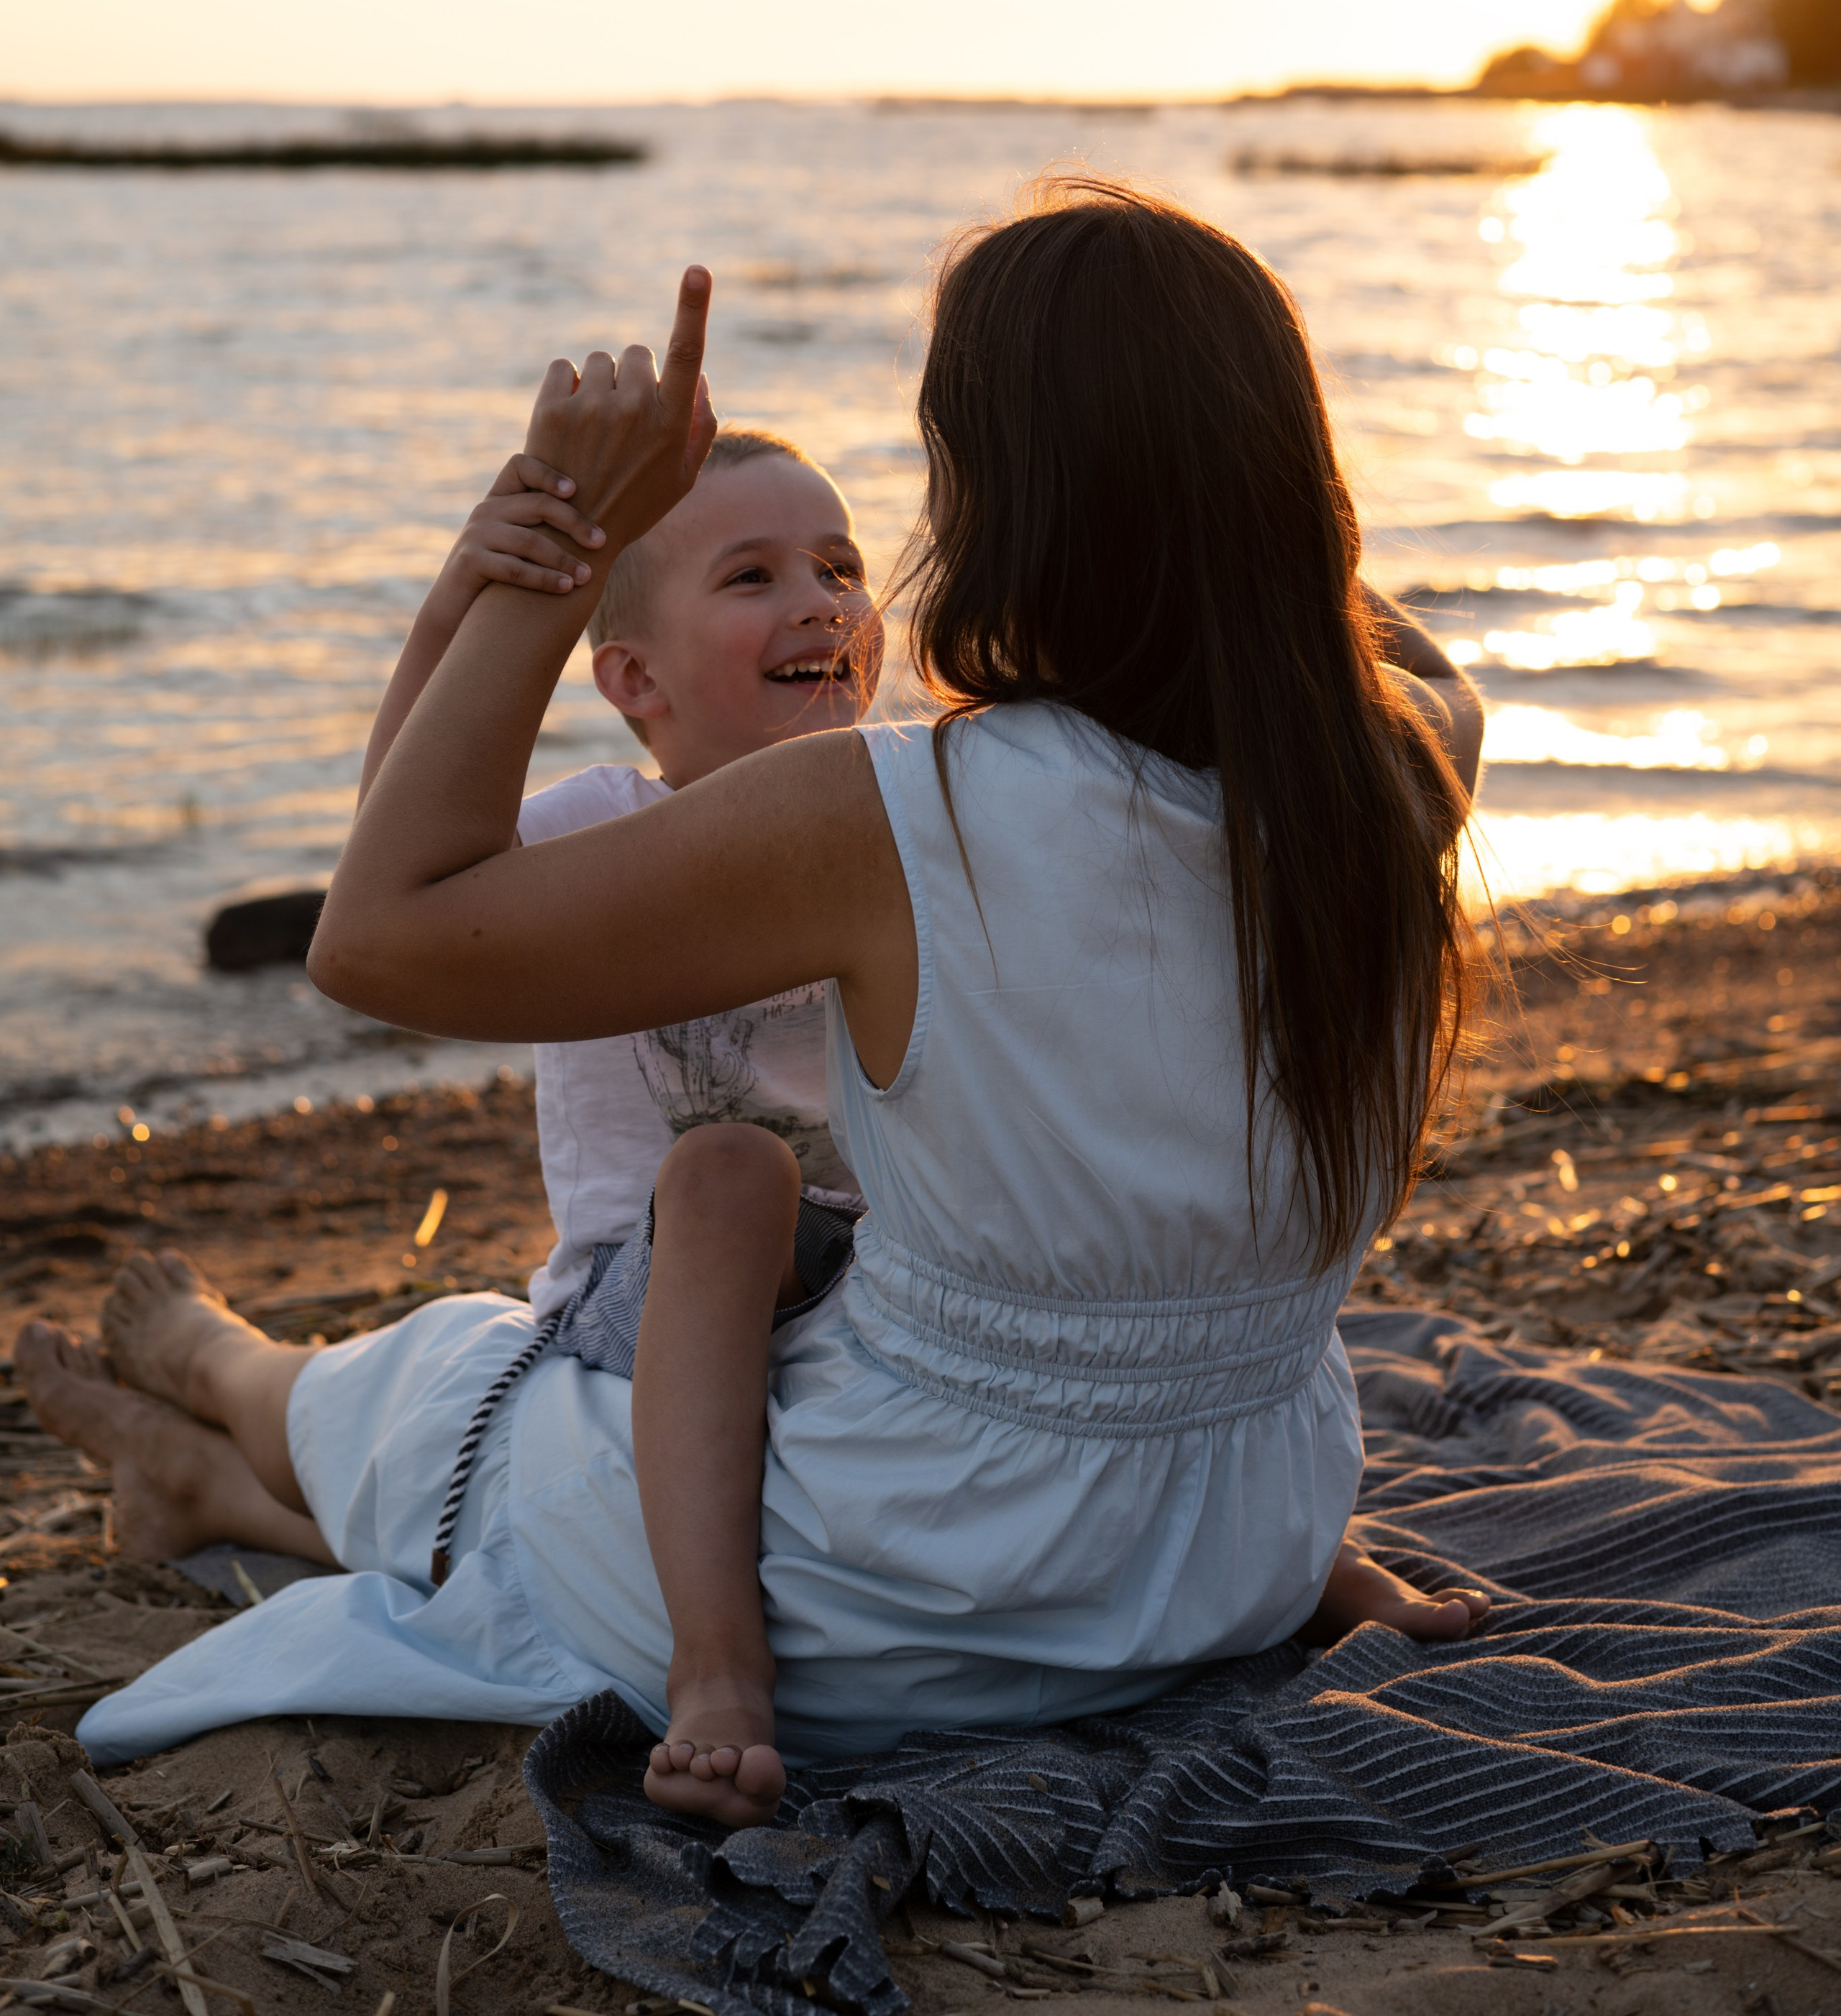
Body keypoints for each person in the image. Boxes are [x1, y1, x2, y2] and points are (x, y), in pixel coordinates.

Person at [19, 177, 1488, 1803]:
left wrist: (561, 540)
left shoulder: (886, 810)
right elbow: (1367, 646)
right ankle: (212, 1458)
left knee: (453, 1372)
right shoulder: (1402, 764)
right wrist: (1252, 532)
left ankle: (222, 1371)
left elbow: (374, 936)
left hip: (925, 1594)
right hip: (1240, 1552)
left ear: (998, 488)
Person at [358, 421, 879, 1314]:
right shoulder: (597, 829)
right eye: (752, 576)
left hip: (869, 1267)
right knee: (728, 1182)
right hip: (645, 1288)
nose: (822, 602)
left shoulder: (893, 807)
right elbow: (399, 863)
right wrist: (456, 608)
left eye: (841, 568)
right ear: (635, 678)